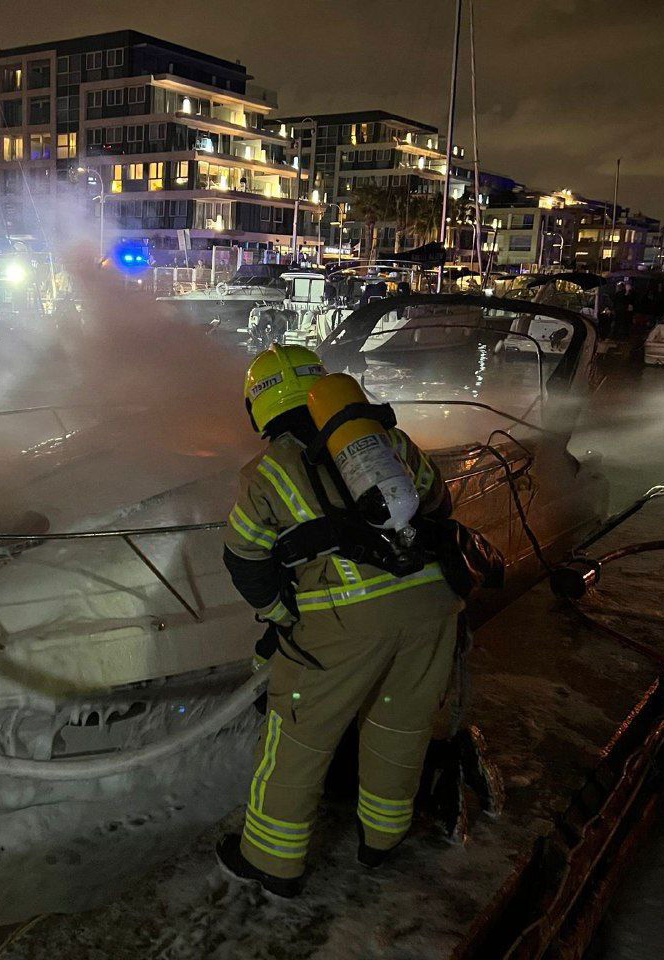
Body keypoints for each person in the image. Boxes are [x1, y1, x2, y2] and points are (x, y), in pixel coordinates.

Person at [215, 343, 463, 898]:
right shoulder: (388, 444)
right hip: (433, 606)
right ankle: (381, 840)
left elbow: (244, 557)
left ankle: (270, 863)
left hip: (346, 625)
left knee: (299, 740)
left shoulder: (268, 471)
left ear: (259, 405)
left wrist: (282, 618)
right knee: (400, 724)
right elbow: (440, 507)